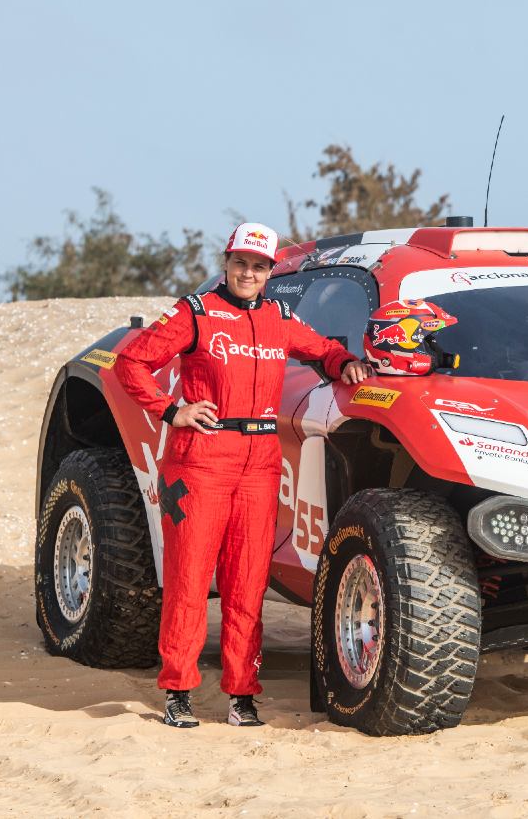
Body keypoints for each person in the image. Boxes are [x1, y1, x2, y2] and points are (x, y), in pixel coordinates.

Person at [114, 222, 373, 728]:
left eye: (258, 266)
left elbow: (322, 349)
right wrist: (171, 411)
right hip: (201, 459)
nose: (248, 273)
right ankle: (178, 691)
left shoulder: (279, 318)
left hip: (260, 463)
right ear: (226, 263)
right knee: (189, 580)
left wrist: (344, 362)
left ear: (270, 271)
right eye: (240, 263)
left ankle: (241, 695)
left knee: (247, 583)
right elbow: (132, 362)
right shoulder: (195, 312)